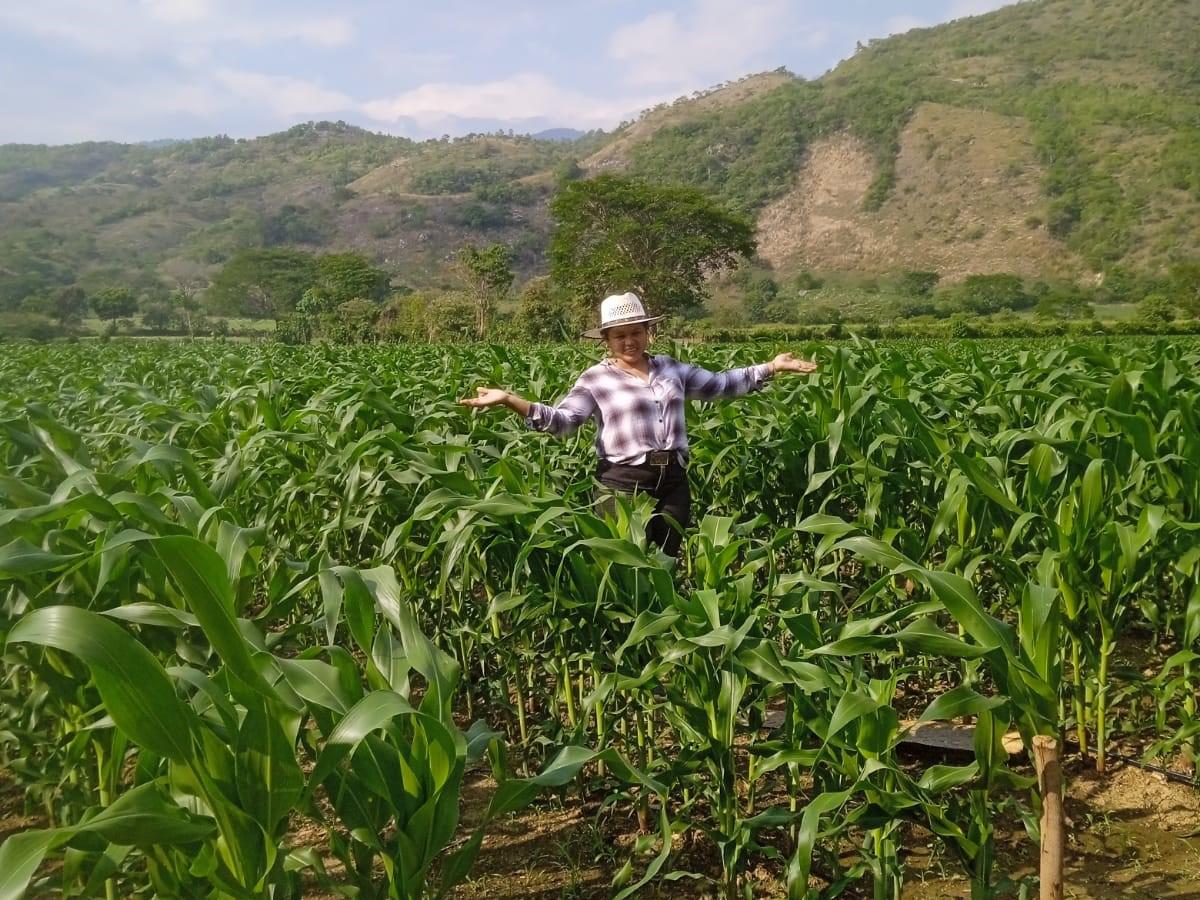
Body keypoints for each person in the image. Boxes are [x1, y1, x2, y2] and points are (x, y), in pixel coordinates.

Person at [459, 292, 818, 556]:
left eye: (636, 331)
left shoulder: (671, 369)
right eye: (619, 335)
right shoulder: (595, 379)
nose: (629, 340)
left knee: (666, 562)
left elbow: (720, 384)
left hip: (673, 481)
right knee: (626, 568)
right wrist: (510, 400)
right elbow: (564, 422)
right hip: (622, 487)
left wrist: (770, 367)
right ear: (607, 340)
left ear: (649, 332)